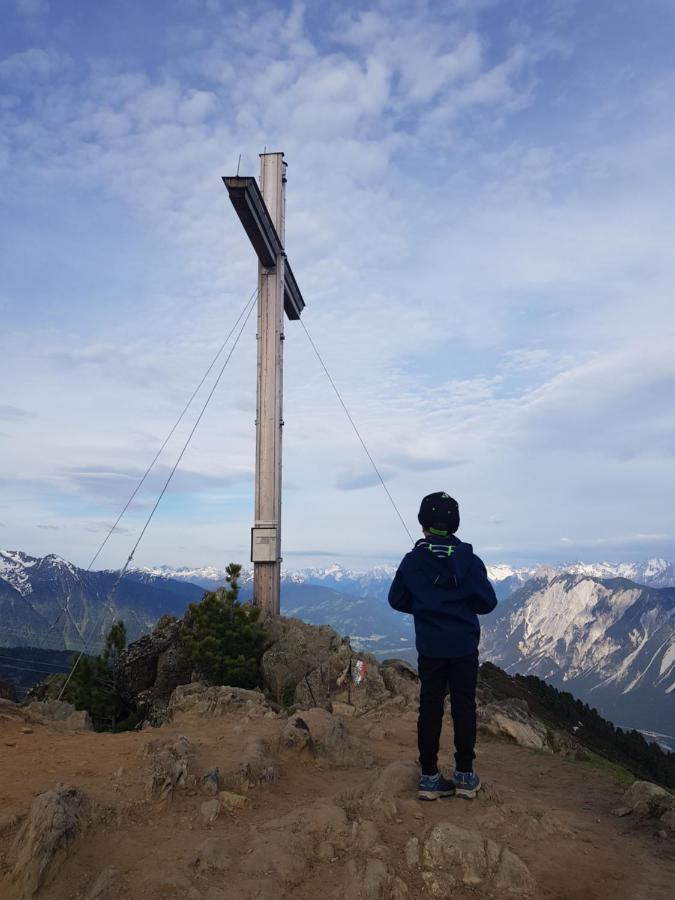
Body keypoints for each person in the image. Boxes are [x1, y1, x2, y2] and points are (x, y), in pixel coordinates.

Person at [388, 492, 497, 800]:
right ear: (455, 524)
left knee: (430, 708)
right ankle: (465, 774)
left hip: (431, 648)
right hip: (463, 647)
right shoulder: (470, 561)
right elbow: (487, 602)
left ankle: (429, 777)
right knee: (464, 707)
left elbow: (396, 599)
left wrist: (425, 607)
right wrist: (461, 606)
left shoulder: (412, 561)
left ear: (423, 524)